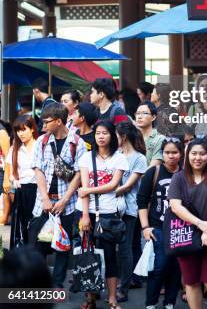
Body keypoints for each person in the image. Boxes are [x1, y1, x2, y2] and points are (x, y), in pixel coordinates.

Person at [28, 103, 87, 289]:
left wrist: (65, 200)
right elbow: (38, 170)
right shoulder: (42, 141)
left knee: (63, 246)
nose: (43, 126)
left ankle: (57, 284)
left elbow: (79, 174)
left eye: (46, 122)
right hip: (42, 202)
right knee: (37, 245)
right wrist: (45, 198)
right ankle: (38, 282)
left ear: (59, 121)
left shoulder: (77, 143)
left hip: (67, 203)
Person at [168, 138, 207, 309]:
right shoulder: (179, 178)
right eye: (193, 153)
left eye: (202, 153)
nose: (197, 158)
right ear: (187, 155)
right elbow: (175, 206)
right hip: (185, 236)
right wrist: (200, 224)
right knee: (191, 283)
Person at [78, 120, 129, 309]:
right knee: (88, 256)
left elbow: (114, 185)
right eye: (98, 133)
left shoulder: (119, 157)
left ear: (111, 135)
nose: (101, 136)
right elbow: (83, 188)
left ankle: (113, 297)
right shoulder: (86, 158)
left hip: (109, 213)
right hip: (87, 212)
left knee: (110, 256)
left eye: (105, 133)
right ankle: (90, 297)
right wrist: (84, 215)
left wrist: (89, 191)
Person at [138, 137, 183, 309]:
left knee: (176, 267)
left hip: (180, 227)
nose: (171, 156)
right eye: (167, 152)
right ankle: (151, 303)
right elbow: (142, 200)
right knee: (159, 266)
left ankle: (170, 302)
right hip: (157, 226)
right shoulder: (154, 171)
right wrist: (145, 227)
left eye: (175, 152)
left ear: (181, 154)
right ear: (162, 153)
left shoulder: (185, 173)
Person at [115, 121, 147, 302]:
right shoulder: (116, 154)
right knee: (132, 245)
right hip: (117, 206)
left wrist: (105, 189)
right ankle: (134, 278)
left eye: (116, 135)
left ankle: (123, 287)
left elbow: (128, 186)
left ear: (123, 137)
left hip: (129, 207)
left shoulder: (139, 158)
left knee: (126, 248)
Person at [6, 115, 38, 246]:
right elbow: (11, 172)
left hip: (38, 190)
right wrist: (14, 181)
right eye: (18, 131)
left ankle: (36, 258)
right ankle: (23, 259)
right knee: (21, 226)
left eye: (24, 129)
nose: (21, 134)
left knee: (36, 226)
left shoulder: (40, 145)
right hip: (21, 190)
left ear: (32, 129)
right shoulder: (15, 149)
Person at [135, 102, 165, 166]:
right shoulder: (132, 137)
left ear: (153, 117)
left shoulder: (159, 139)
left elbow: (153, 168)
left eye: (144, 113)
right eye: (138, 113)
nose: (139, 117)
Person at [0, 120, 11, 225]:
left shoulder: (1, 132)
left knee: (5, 192)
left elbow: (7, 156)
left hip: (1, 171)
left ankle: (5, 217)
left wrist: (6, 177)